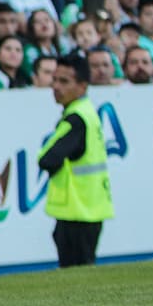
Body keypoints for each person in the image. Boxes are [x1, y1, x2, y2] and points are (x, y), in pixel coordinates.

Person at [38, 53, 114, 268]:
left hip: (77, 210)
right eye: (54, 79)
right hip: (89, 207)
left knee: (75, 274)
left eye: (64, 81)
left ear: (82, 86)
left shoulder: (76, 118)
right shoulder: (87, 112)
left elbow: (48, 159)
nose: (56, 86)